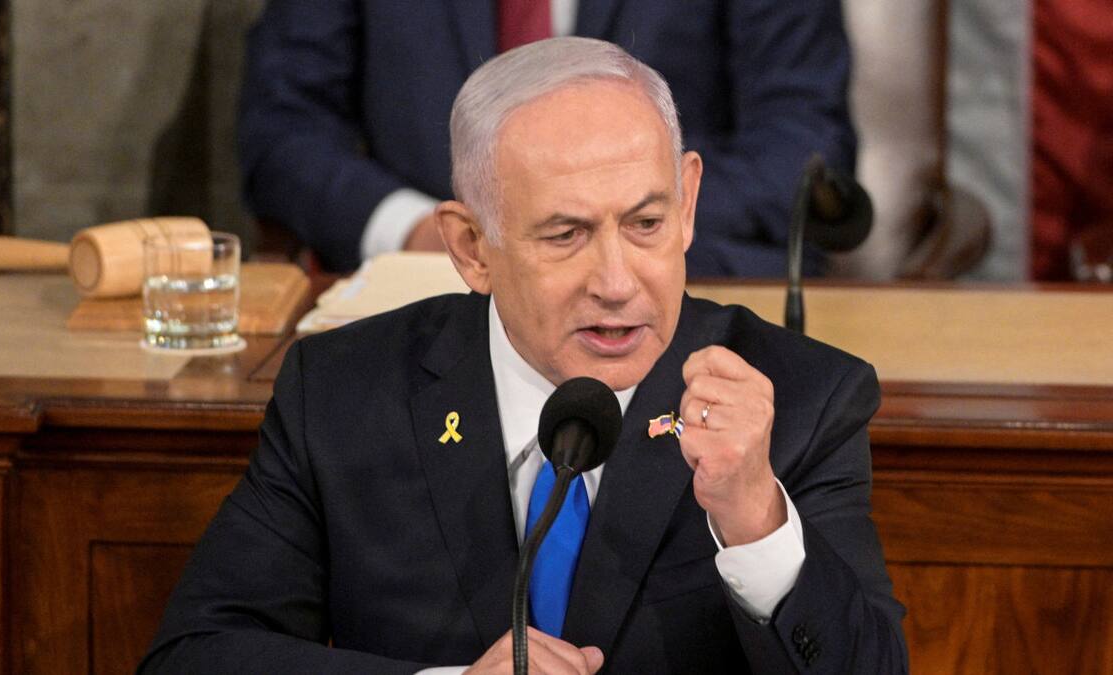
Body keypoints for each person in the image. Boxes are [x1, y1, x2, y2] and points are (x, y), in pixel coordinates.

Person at [143, 38, 905, 673]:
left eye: (645, 222)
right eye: (565, 235)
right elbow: (194, 655)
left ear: (689, 205)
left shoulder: (803, 400)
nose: (616, 283)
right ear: (472, 247)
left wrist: (756, 520)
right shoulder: (343, 393)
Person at [238, 0, 856, 278]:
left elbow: (802, 146)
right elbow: (282, 128)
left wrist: (613, 227)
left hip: (671, 293)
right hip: (438, 289)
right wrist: (416, 230)